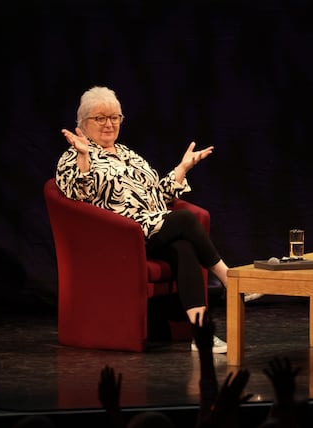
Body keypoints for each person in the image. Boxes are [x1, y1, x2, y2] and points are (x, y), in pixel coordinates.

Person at [57, 86, 252, 354]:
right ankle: (231, 279)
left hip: (151, 229)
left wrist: (182, 169)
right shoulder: (73, 156)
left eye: (115, 117)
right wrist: (83, 156)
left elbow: (158, 195)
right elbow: (78, 196)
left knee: (184, 249)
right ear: (82, 123)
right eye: (100, 118)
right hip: (118, 237)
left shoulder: (128, 154)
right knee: (183, 220)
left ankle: (200, 334)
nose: (109, 124)